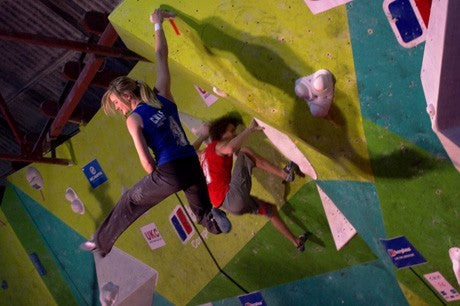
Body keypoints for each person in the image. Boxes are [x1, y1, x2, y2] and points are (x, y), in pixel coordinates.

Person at [81, 9, 231, 257]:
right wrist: (157, 25)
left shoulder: (135, 118)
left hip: (170, 171)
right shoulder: (162, 96)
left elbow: (147, 163)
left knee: (129, 200)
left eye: (117, 103)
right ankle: (214, 219)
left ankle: (100, 242)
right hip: (190, 162)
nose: (118, 109)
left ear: (127, 97)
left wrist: (159, 182)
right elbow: (161, 56)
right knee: (202, 213)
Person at [193, 115, 307, 252]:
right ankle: (285, 174)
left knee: (269, 210)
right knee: (245, 152)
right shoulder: (215, 146)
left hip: (230, 206)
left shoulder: (203, 155)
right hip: (232, 195)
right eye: (231, 131)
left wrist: (202, 136)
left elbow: (191, 151)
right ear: (221, 133)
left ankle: (296, 242)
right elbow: (229, 148)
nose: (234, 134)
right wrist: (250, 129)